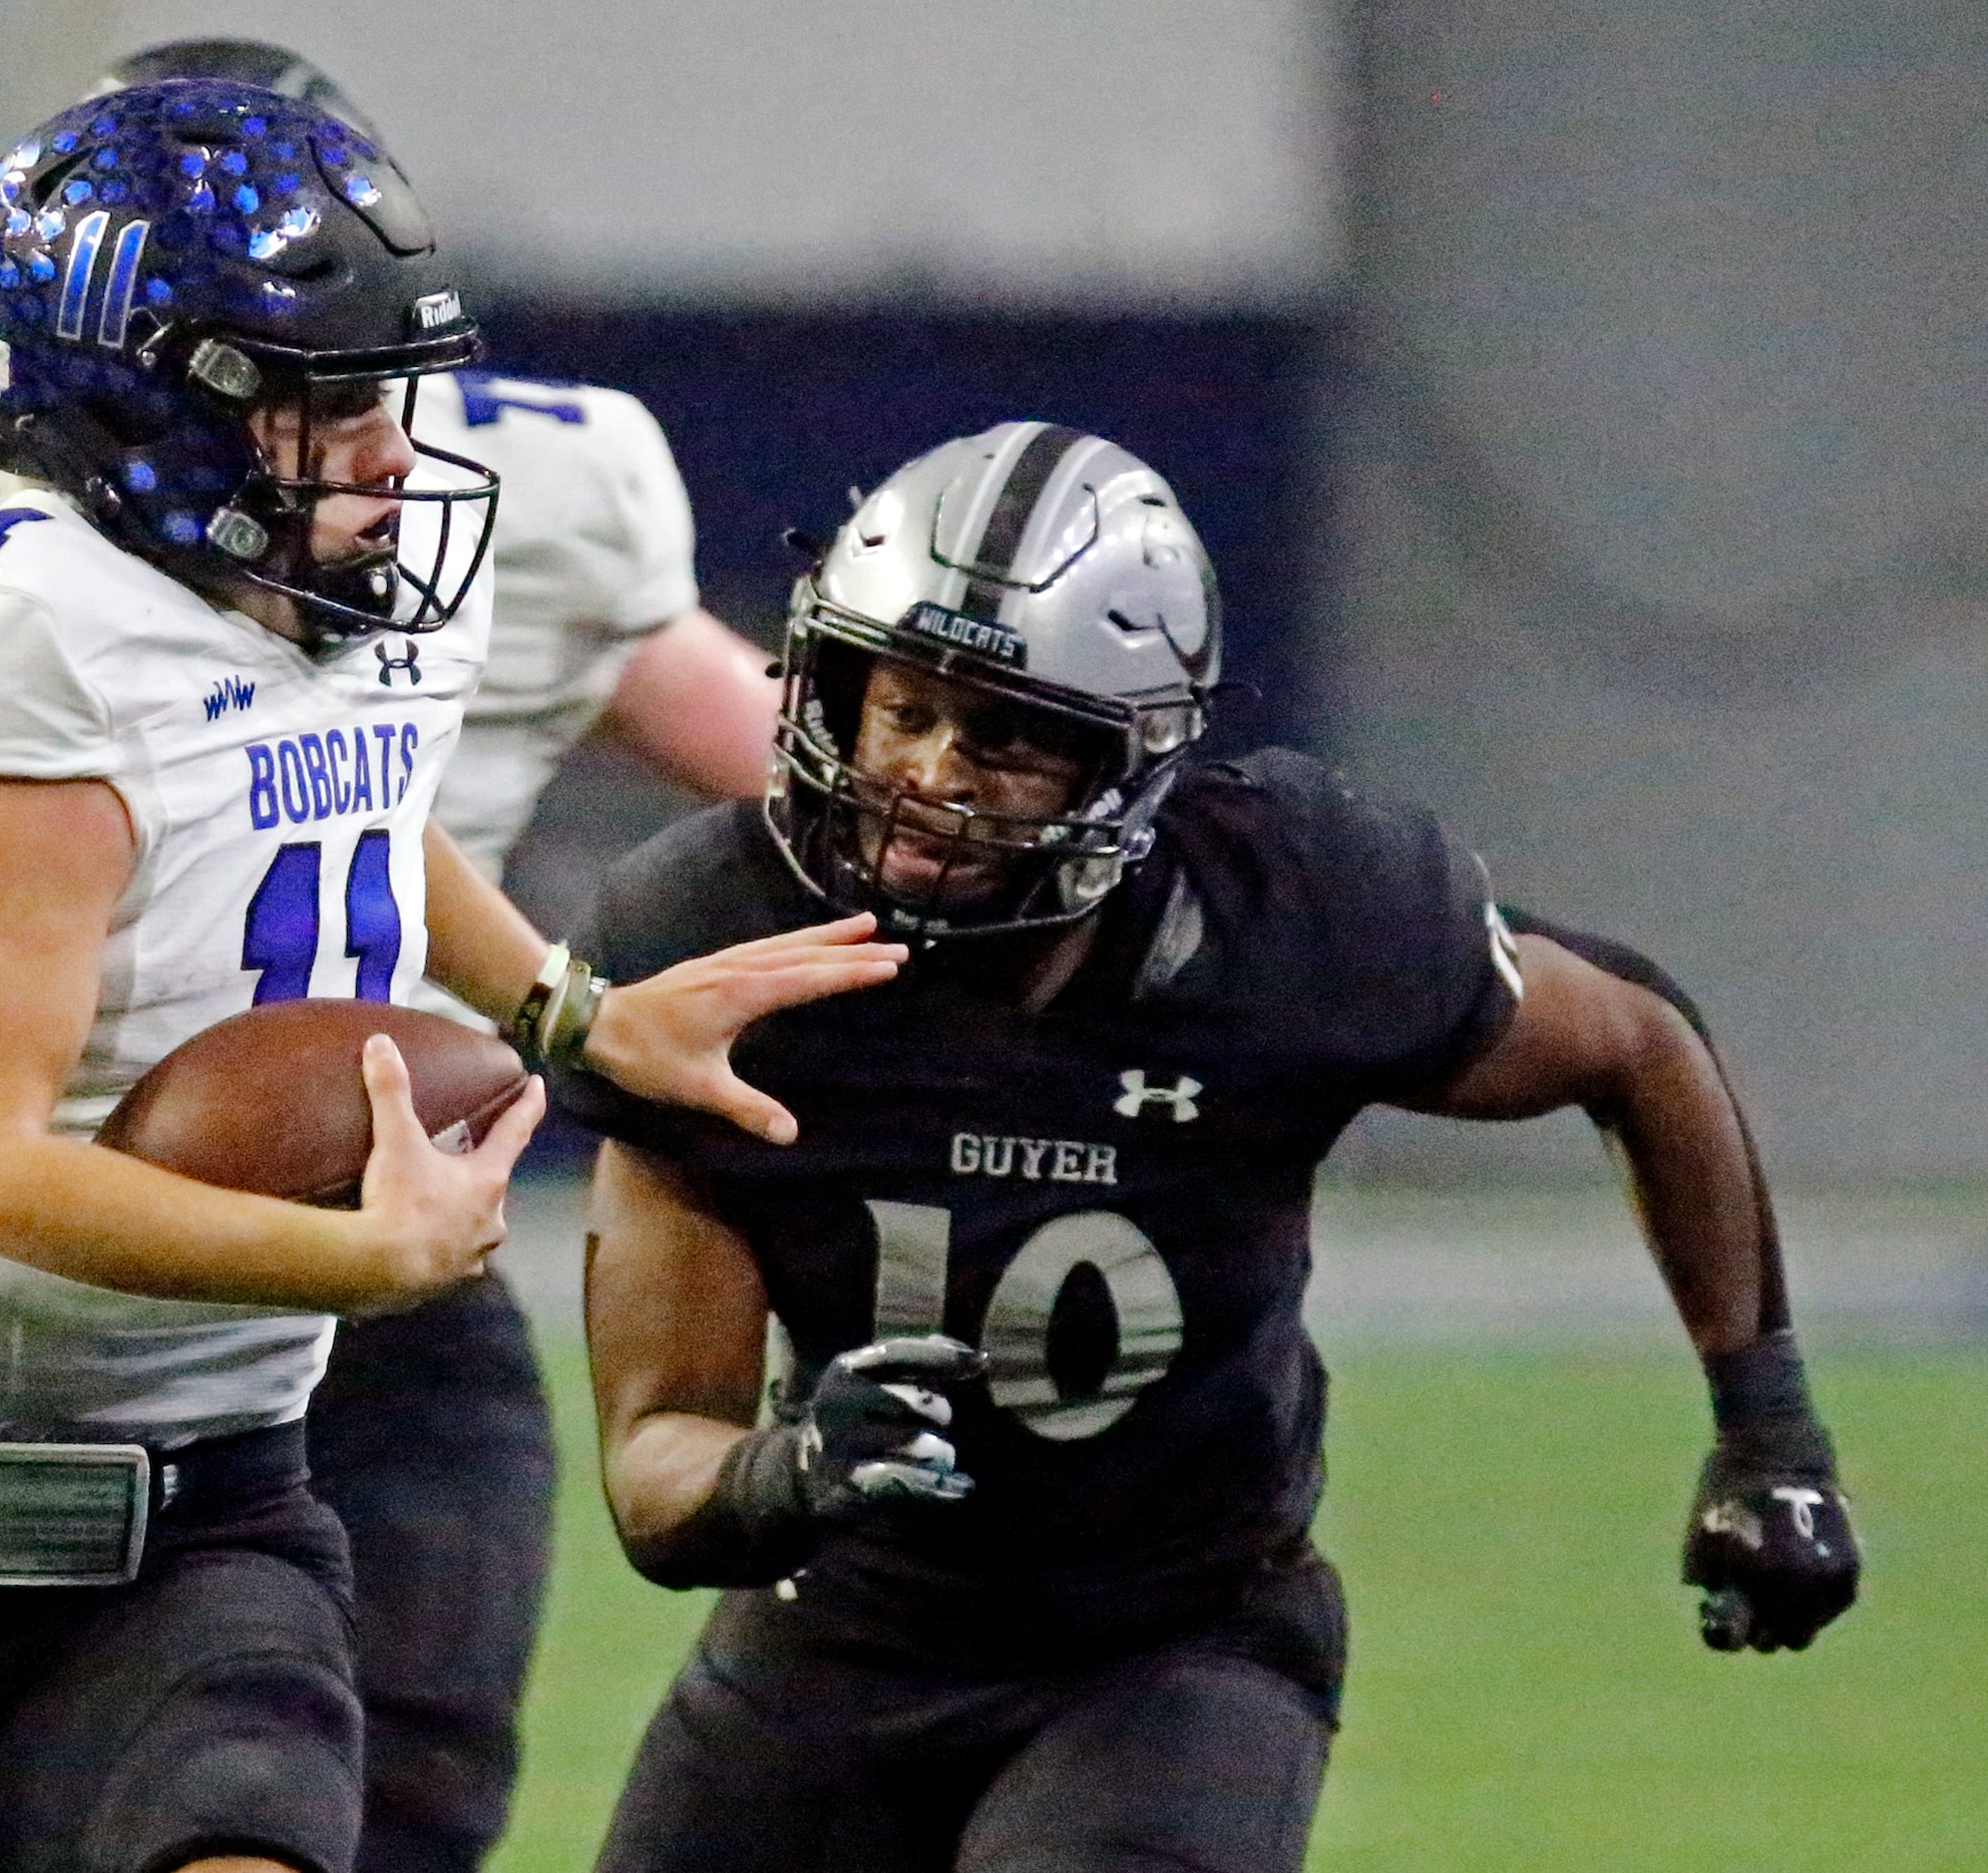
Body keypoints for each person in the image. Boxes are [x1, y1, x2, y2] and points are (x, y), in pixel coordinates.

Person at [0, 81, 897, 1873]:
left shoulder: (329, 593)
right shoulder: (18, 635)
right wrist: (364, 1256)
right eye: (324, 400)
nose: (391, 453)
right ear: (134, 398)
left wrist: (573, 1012)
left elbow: (362, 823)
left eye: (389, 394)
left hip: (207, 1498)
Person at [561, 423, 1862, 1873]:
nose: (930, 775)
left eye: (1001, 734)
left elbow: (1635, 1043)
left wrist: (1769, 1429)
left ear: (1125, 758)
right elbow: (656, 1463)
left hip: (1168, 1643)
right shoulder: (705, 949)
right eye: (900, 707)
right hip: (842, 1628)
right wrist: (786, 1474)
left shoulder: (1290, 913)